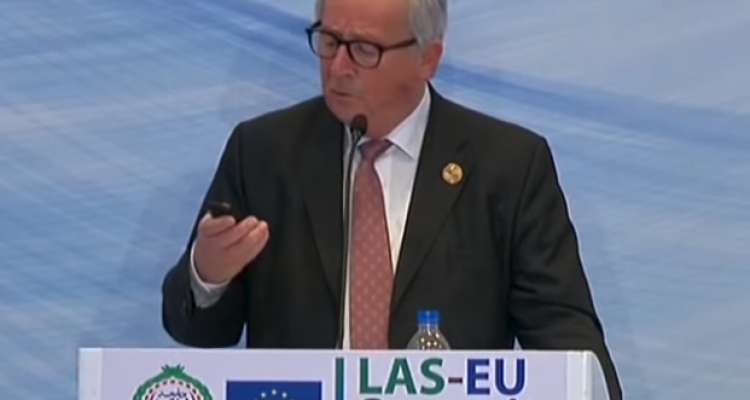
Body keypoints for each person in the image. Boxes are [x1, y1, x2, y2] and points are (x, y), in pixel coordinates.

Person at [161, 0, 622, 398]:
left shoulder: (507, 165)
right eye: (329, 41)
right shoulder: (264, 153)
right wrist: (208, 275)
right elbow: (199, 331)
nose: (338, 67)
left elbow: (563, 334)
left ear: (428, 58)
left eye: (364, 49)